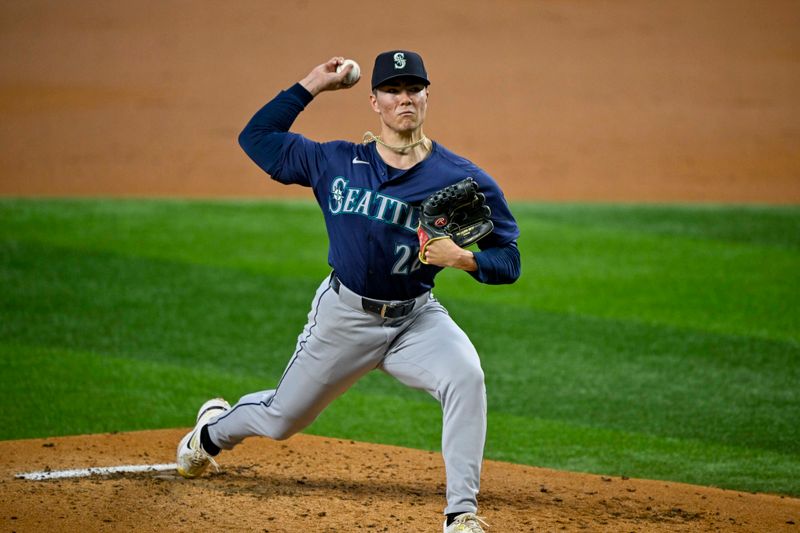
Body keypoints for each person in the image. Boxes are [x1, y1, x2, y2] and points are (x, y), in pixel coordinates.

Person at [176, 50, 521, 533]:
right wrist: (312, 84)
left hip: (415, 319)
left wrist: (464, 259)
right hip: (344, 316)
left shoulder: (463, 179)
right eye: (393, 91)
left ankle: (460, 514)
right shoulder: (334, 160)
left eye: (413, 89)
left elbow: (510, 259)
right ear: (374, 101)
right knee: (280, 420)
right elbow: (255, 139)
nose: (405, 99)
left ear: (427, 96)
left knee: (466, 376)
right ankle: (210, 432)